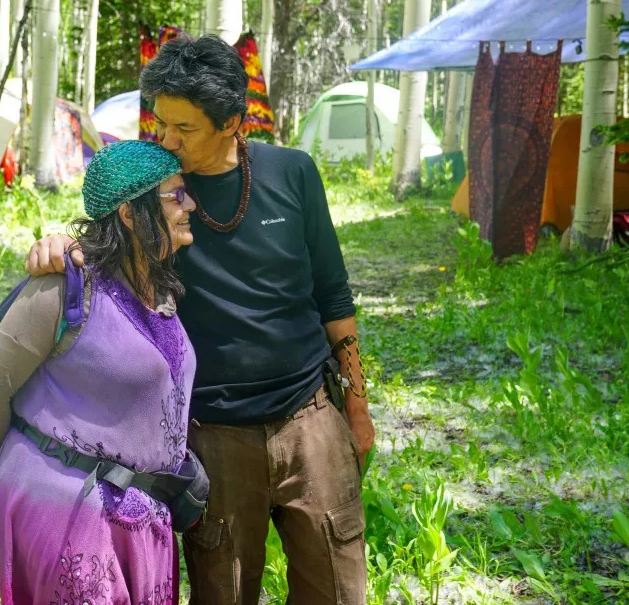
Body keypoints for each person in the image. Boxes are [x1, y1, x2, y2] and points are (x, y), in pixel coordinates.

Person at [26, 34, 375, 605]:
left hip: (311, 422)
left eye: (182, 128)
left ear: (233, 121)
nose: (165, 140)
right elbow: (105, 239)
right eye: (160, 123)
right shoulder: (159, 192)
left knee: (337, 588)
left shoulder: (293, 174)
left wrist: (356, 409)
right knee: (224, 592)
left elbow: (335, 301)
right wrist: (59, 244)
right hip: (211, 437)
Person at [0, 140, 198, 605]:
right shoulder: (66, 287)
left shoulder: (159, 282)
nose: (190, 205)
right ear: (131, 214)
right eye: (175, 196)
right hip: (66, 512)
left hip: (138, 514)